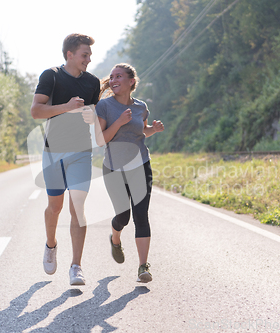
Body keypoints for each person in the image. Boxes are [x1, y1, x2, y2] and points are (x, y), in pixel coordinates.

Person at [30, 33, 100, 285]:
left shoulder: (92, 82)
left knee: (77, 208)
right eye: (85, 54)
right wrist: (66, 107)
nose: (89, 59)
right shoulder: (51, 76)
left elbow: (94, 118)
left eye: (90, 55)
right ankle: (51, 245)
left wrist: (92, 119)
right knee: (55, 207)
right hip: (53, 153)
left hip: (81, 152)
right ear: (70, 54)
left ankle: (76, 266)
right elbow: (36, 111)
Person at [95, 63, 164, 282]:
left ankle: (143, 266)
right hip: (114, 168)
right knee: (123, 216)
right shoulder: (105, 106)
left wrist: (154, 129)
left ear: (131, 81)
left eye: (119, 76)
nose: (113, 80)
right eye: (112, 77)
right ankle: (115, 238)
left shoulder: (141, 107)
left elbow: (141, 131)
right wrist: (119, 122)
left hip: (141, 165)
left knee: (141, 215)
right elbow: (100, 139)